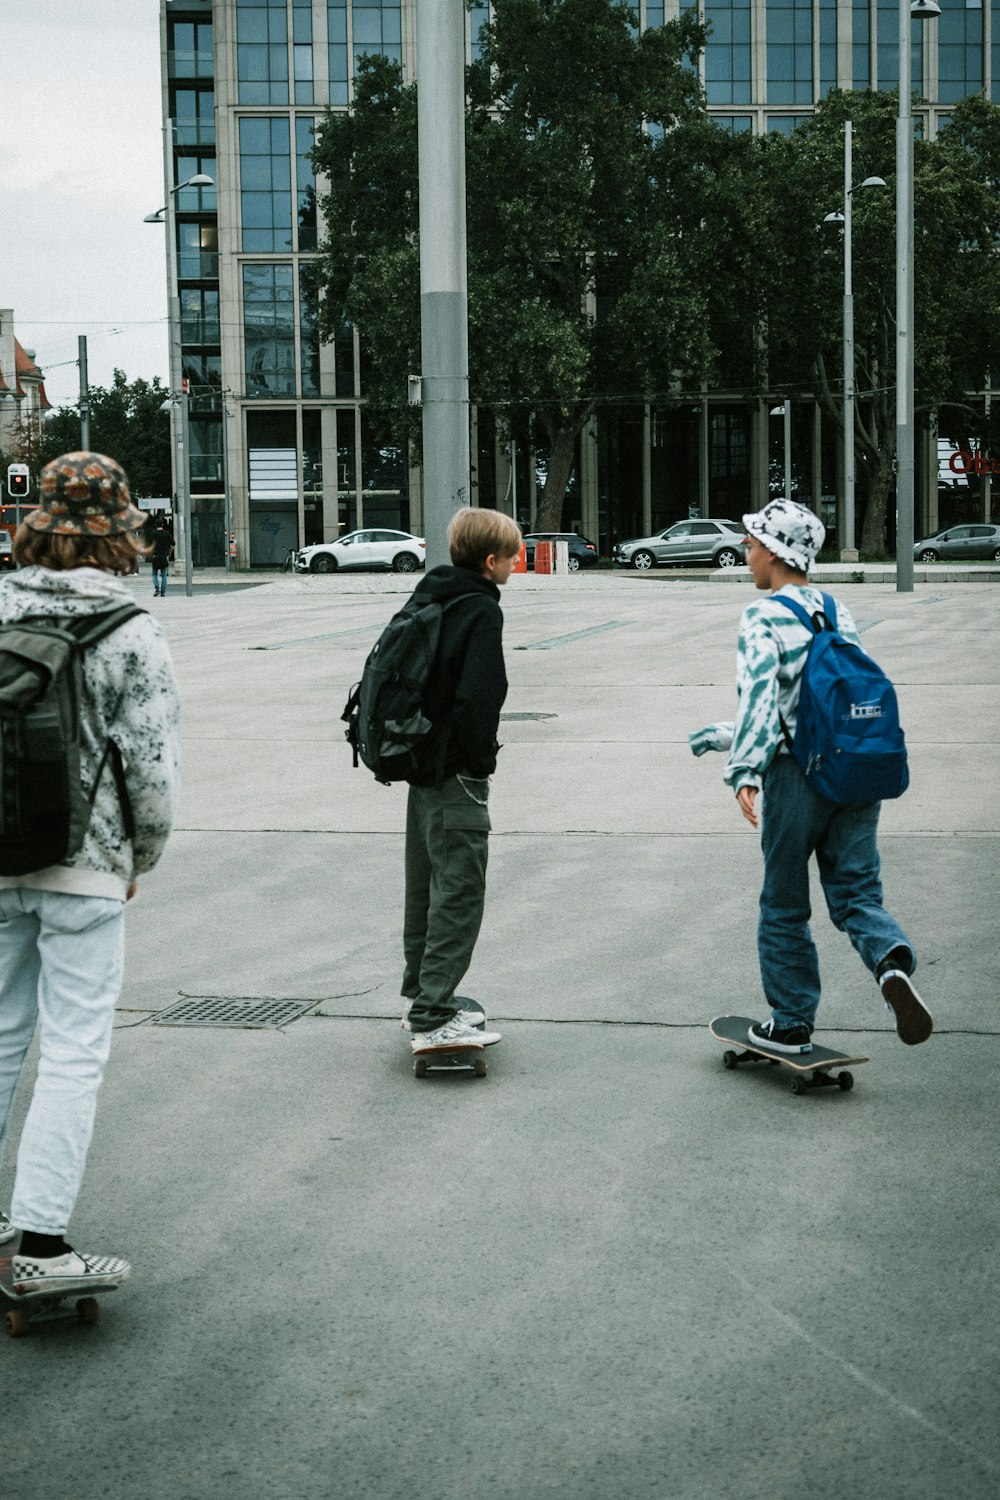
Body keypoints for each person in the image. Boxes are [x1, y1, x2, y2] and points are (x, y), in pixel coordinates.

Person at [0, 451, 181, 1293]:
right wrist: (137, 858)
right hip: (86, 864)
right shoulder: (133, 630)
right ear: (121, 531)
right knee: (73, 1052)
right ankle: (40, 1248)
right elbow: (150, 767)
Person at [690, 498, 932, 1054]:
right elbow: (823, 703)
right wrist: (720, 735)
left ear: (774, 554)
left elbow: (760, 701)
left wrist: (743, 769)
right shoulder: (836, 611)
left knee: (784, 903)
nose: (746, 554)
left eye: (752, 545)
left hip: (796, 777)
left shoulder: (762, 616)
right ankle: (891, 965)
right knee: (856, 896)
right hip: (853, 771)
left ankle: (792, 1022)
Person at [401, 507, 522, 1057]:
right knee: (460, 890)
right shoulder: (480, 610)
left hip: (420, 765)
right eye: (513, 557)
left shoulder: (431, 595)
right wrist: (480, 764)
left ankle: (421, 996)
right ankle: (433, 1015)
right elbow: (479, 697)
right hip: (456, 772)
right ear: (490, 561)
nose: (517, 565)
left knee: (427, 884)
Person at [150, 517, 175, 598]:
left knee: (154, 574)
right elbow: (173, 544)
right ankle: (163, 592)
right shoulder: (166, 533)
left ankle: (157, 589)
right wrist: (169, 553)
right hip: (164, 555)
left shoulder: (153, 534)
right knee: (164, 575)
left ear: (155, 525)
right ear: (163, 525)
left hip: (155, 555)